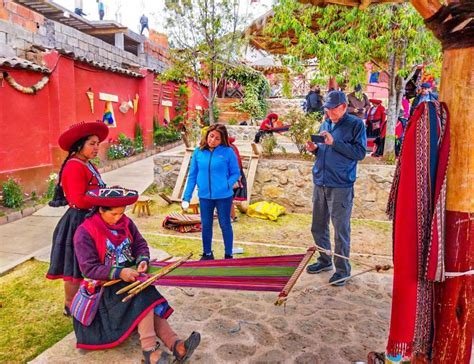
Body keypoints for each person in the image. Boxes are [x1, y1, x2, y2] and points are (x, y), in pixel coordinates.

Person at [72, 187, 201, 363]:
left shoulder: (126, 223)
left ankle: (176, 345)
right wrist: (120, 272)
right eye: (114, 214)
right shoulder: (85, 232)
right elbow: (88, 268)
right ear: (101, 209)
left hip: (129, 278)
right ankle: (150, 350)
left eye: (121, 213)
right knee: (143, 296)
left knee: (144, 292)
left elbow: (140, 244)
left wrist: (142, 259)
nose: (119, 218)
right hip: (105, 289)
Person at [46, 121, 109, 316]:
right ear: (79, 145)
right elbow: (77, 199)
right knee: (74, 263)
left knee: (88, 262)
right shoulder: (74, 166)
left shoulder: (87, 164)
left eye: (98, 143)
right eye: (92, 143)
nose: (96, 147)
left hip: (90, 218)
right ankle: (70, 304)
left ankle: (86, 298)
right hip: (78, 221)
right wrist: (103, 200)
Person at [305, 91, 366, 286]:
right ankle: (324, 261)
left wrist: (335, 142)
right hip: (320, 181)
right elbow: (325, 151)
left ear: (343, 106)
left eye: (332, 108)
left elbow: (359, 153)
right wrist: (315, 150)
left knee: (340, 229)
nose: (329, 111)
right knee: (318, 226)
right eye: (327, 108)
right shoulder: (326, 123)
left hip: (341, 184)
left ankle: (342, 270)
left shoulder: (356, 125)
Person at [182, 124, 240, 260]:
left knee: (225, 224)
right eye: (211, 136)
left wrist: (226, 184)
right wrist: (186, 197)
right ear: (207, 135)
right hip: (204, 196)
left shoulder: (228, 152)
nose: (213, 140)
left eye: (217, 138)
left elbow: (235, 173)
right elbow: (192, 176)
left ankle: (228, 254)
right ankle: (207, 253)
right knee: (206, 225)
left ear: (223, 140)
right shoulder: (198, 152)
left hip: (224, 196)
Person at [228, 136, 247, 222]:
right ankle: (232, 216)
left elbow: (235, 163)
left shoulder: (229, 148)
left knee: (227, 196)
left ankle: (230, 216)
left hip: (232, 174)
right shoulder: (232, 147)